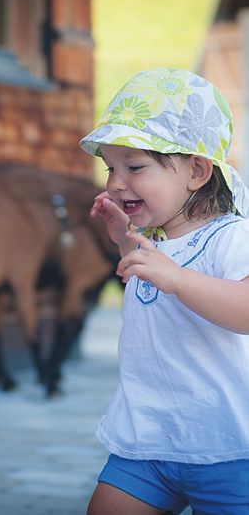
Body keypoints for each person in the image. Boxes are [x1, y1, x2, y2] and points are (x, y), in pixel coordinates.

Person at [79, 67, 249, 514]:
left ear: (196, 170)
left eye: (134, 166)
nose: (116, 181)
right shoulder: (155, 242)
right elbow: (157, 269)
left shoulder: (232, 237)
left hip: (229, 449)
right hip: (146, 442)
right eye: (110, 167)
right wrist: (124, 240)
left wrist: (176, 279)